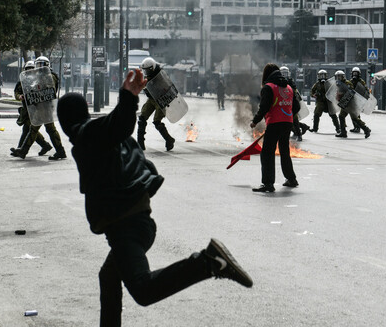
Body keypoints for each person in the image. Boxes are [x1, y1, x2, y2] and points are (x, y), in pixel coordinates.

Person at [56, 69, 253, 327]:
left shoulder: (88, 136)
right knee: (109, 276)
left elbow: (121, 123)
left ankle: (207, 263)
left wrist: (128, 97)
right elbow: (146, 165)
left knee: (143, 290)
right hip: (136, 220)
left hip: (125, 225)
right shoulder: (105, 138)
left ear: (64, 121)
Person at [250, 63, 299, 193]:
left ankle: (268, 184)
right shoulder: (288, 87)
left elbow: (264, 107)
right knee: (284, 151)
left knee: (267, 153)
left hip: (275, 123)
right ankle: (291, 179)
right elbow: (297, 107)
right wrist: (287, 113)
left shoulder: (268, 87)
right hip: (287, 122)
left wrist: (255, 121)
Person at [11, 56, 67, 160]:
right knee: (41, 129)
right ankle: (59, 151)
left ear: (47, 65)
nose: (39, 67)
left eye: (41, 65)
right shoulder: (39, 77)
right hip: (40, 107)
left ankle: (24, 151)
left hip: (45, 107)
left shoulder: (51, 76)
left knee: (39, 129)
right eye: (38, 65)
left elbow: (48, 90)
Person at [10, 60, 53, 155]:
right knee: (29, 129)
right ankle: (44, 145)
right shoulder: (21, 82)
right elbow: (16, 92)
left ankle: (21, 149)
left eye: (31, 69)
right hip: (26, 109)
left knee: (29, 129)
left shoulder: (38, 81)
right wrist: (19, 96)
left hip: (36, 109)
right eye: (27, 69)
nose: (29, 71)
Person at [137, 57, 175, 151]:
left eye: (148, 70)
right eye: (145, 70)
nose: (146, 72)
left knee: (157, 122)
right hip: (152, 99)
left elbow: (167, 87)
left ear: (153, 68)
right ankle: (140, 142)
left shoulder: (161, 75)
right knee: (142, 118)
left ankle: (169, 140)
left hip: (161, 99)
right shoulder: (147, 75)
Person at [335, 70, 371, 139]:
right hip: (344, 103)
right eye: (337, 77)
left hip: (350, 103)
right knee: (341, 116)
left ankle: (366, 129)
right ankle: (343, 132)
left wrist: (342, 92)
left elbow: (350, 91)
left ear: (343, 77)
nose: (338, 78)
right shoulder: (337, 84)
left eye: (340, 77)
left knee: (355, 118)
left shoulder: (348, 83)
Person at [280, 66, 309, 141]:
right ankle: (298, 130)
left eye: (285, 73)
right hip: (282, 104)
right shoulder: (278, 82)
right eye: (282, 73)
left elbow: (295, 92)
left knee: (294, 120)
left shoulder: (290, 82)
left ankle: (299, 134)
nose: (284, 75)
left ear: (288, 74)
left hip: (292, 104)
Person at [346, 67, 371, 137]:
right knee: (353, 115)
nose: (355, 74)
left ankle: (359, 127)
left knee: (356, 114)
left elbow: (365, 89)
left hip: (358, 100)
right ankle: (355, 127)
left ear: (359, 74)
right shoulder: (351, 81)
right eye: (354, 73)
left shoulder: (361, 81)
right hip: (352, 99)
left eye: (356, 73)